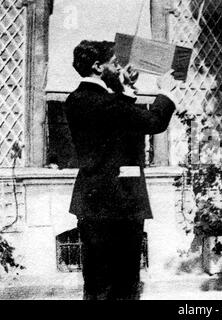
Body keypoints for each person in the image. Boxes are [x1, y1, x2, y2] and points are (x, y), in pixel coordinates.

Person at [64, 40, 178, 300]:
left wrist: (123, 86)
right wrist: (167, 93)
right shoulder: (107, 104)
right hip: (121, 204)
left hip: (93, 204)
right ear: (97, 66)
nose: (121, 68)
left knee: (97, 282)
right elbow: (153, 121)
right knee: (125, 284)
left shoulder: (76, 100)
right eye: (115, 64)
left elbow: (117, 123)